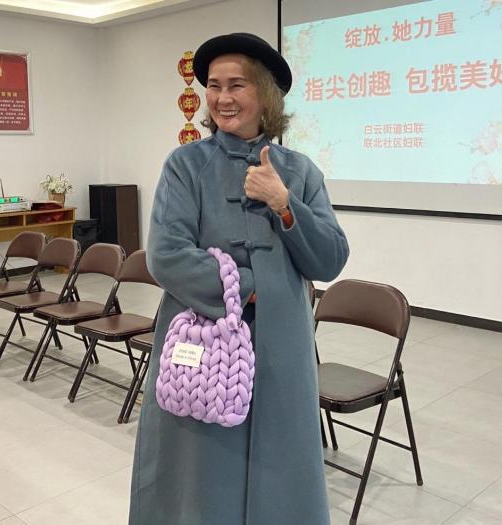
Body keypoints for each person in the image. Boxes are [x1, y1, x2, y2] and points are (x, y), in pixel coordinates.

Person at [129, 33, 349, 525]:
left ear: (265, 95)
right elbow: (166, 255)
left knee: (281, 459)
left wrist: (284, 203)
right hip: (202, 339)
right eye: (214, 85)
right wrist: (246, 287)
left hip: (281, 346)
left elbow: (330, 260)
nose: (223, 98)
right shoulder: (186, 165)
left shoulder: (300, 172)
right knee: (199, 465)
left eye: (237, 85)